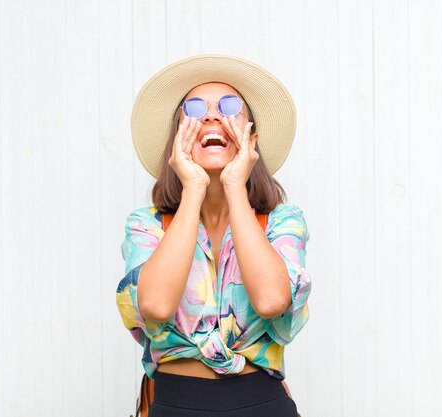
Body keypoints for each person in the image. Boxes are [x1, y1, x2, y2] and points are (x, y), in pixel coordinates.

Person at [116, 54, 312, 417]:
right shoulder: (147, 226)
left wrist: (236, 184)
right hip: (176, 405)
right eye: (194, 109)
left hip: (262, 405)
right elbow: (156, 307)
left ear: (251, 137)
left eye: (228, 106)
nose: (211, 116)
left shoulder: (283, 222)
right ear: (177, 139)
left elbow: (272, 301)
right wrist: (193, 188)